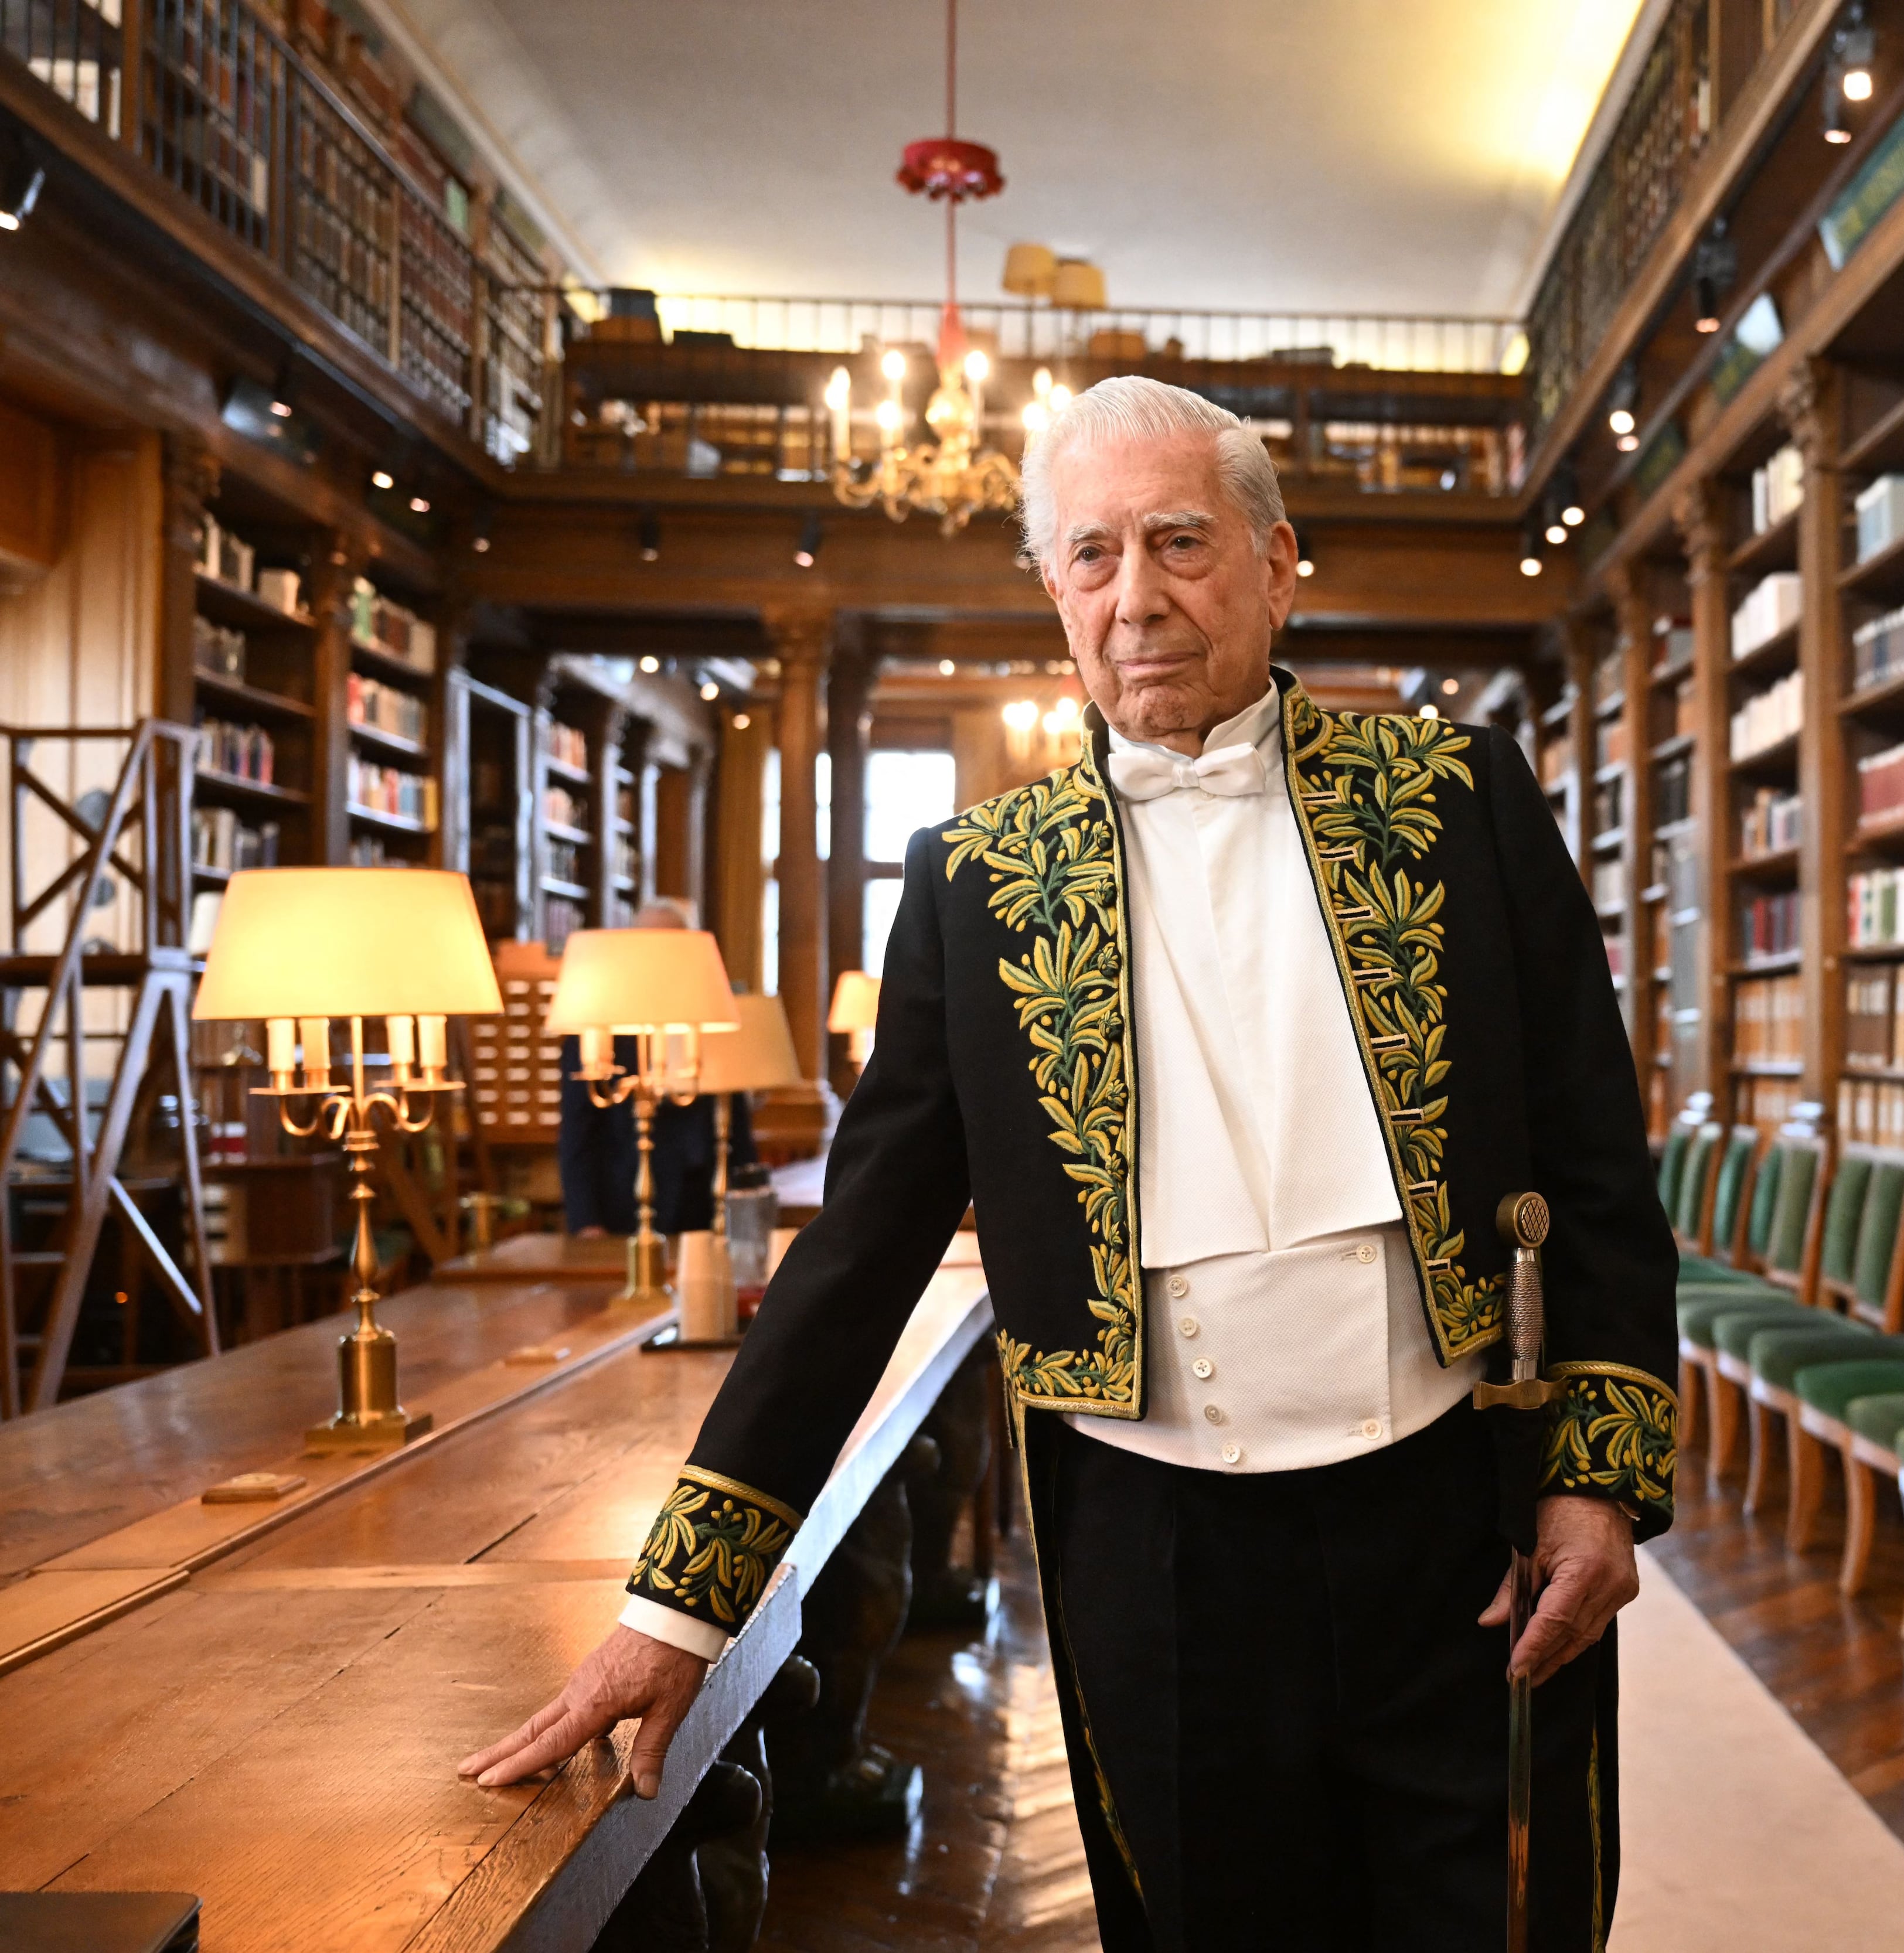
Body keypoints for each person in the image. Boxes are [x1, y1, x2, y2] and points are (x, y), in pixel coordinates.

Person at [461, 377, 1677, 1950]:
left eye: (1181, 542)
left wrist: (1598, 1482)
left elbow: (1596, 1162)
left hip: (1460, 1524)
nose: (1137, 597)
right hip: (1156, 1558)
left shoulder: (1460, 800)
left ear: (1276, 565)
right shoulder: (973, 882)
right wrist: (677, 1606)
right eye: (1093, 555)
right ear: (1055, 590)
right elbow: (860, 1251)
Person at [553, 899, 754, 1236]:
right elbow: (578, 1137)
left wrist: (745, 1218)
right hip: (621, 1209)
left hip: (701, 1207)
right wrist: (587, 1222)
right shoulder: (597, 1032)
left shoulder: (712, 1021)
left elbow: (737, 1132)